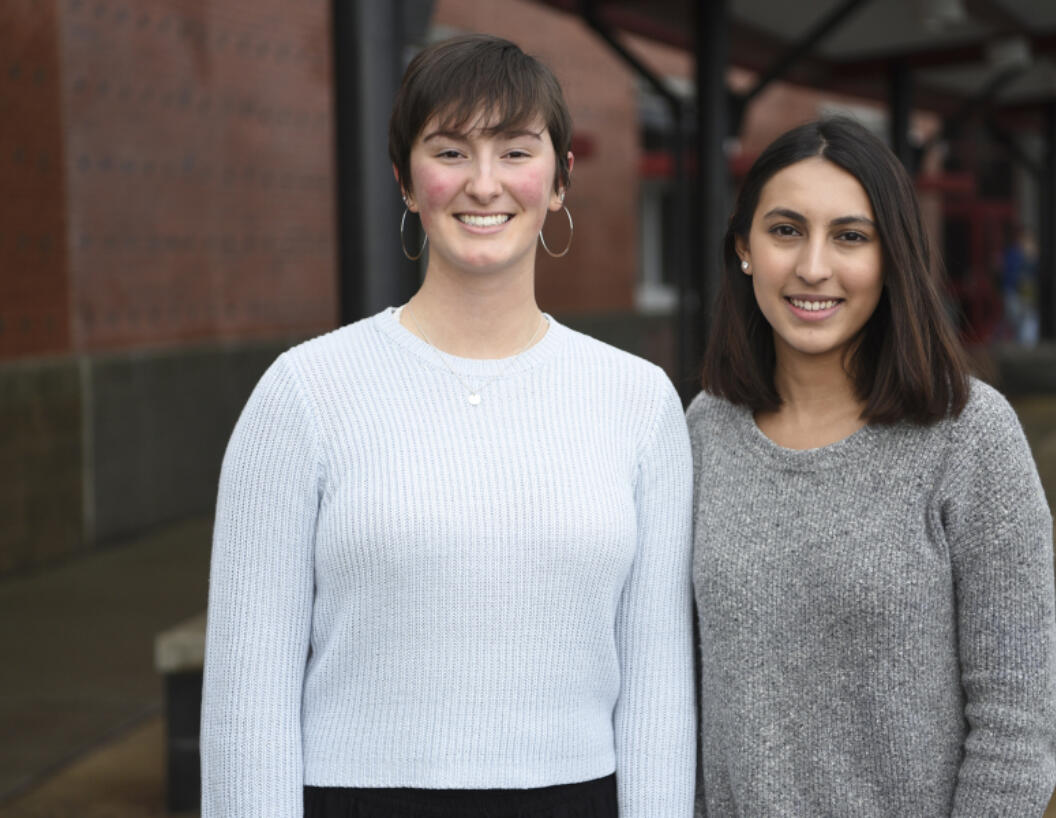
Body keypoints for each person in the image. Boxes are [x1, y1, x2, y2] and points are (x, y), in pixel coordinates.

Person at [201, 35, 695, 818]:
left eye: (515, 150)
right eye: (451, 151)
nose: (484, 184)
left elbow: (659, 689)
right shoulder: (302, 395)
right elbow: (244, 699)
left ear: (561, 179)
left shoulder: (640, 402)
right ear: (405, 179)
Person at [688, 118, 1056, 816]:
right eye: (786, 230)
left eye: (851, 237)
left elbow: (1018, 726)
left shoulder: (971, 437)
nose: (813, 266)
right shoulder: (707, 429)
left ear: (893, 256)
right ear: (744, 248)